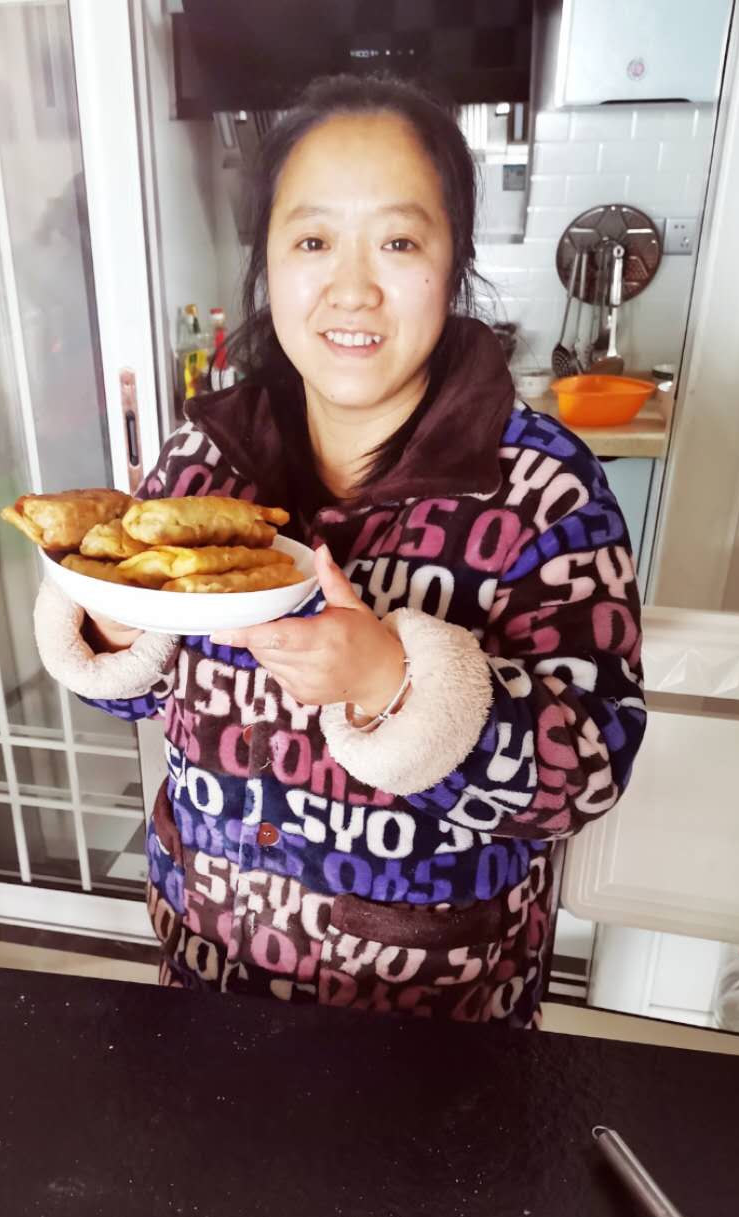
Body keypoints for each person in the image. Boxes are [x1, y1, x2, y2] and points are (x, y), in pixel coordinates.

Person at [33, 74, 646, 1024]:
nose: (351, 288)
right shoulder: (201, 463)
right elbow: (141, 699)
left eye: (398, 242)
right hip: (208, 984)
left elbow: (591, 771)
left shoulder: (544, 491)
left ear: (455, 259)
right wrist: (115, 630)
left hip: (432, 1025)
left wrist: (394, 684)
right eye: (313, 241)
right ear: (267, 263)